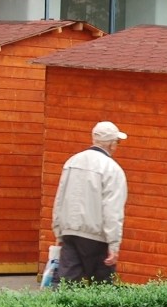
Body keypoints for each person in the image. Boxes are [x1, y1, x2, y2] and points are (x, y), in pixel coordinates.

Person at [52, 121, 128, 285]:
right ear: (112, 144)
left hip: (69, 232)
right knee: (101, 289)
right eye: (117, 142)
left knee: (66, 286)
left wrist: (58, 231)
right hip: (97, 237)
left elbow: (60, 198)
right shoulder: (112, 169)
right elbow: (112, 210)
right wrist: (114, 244)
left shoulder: (72, 162)